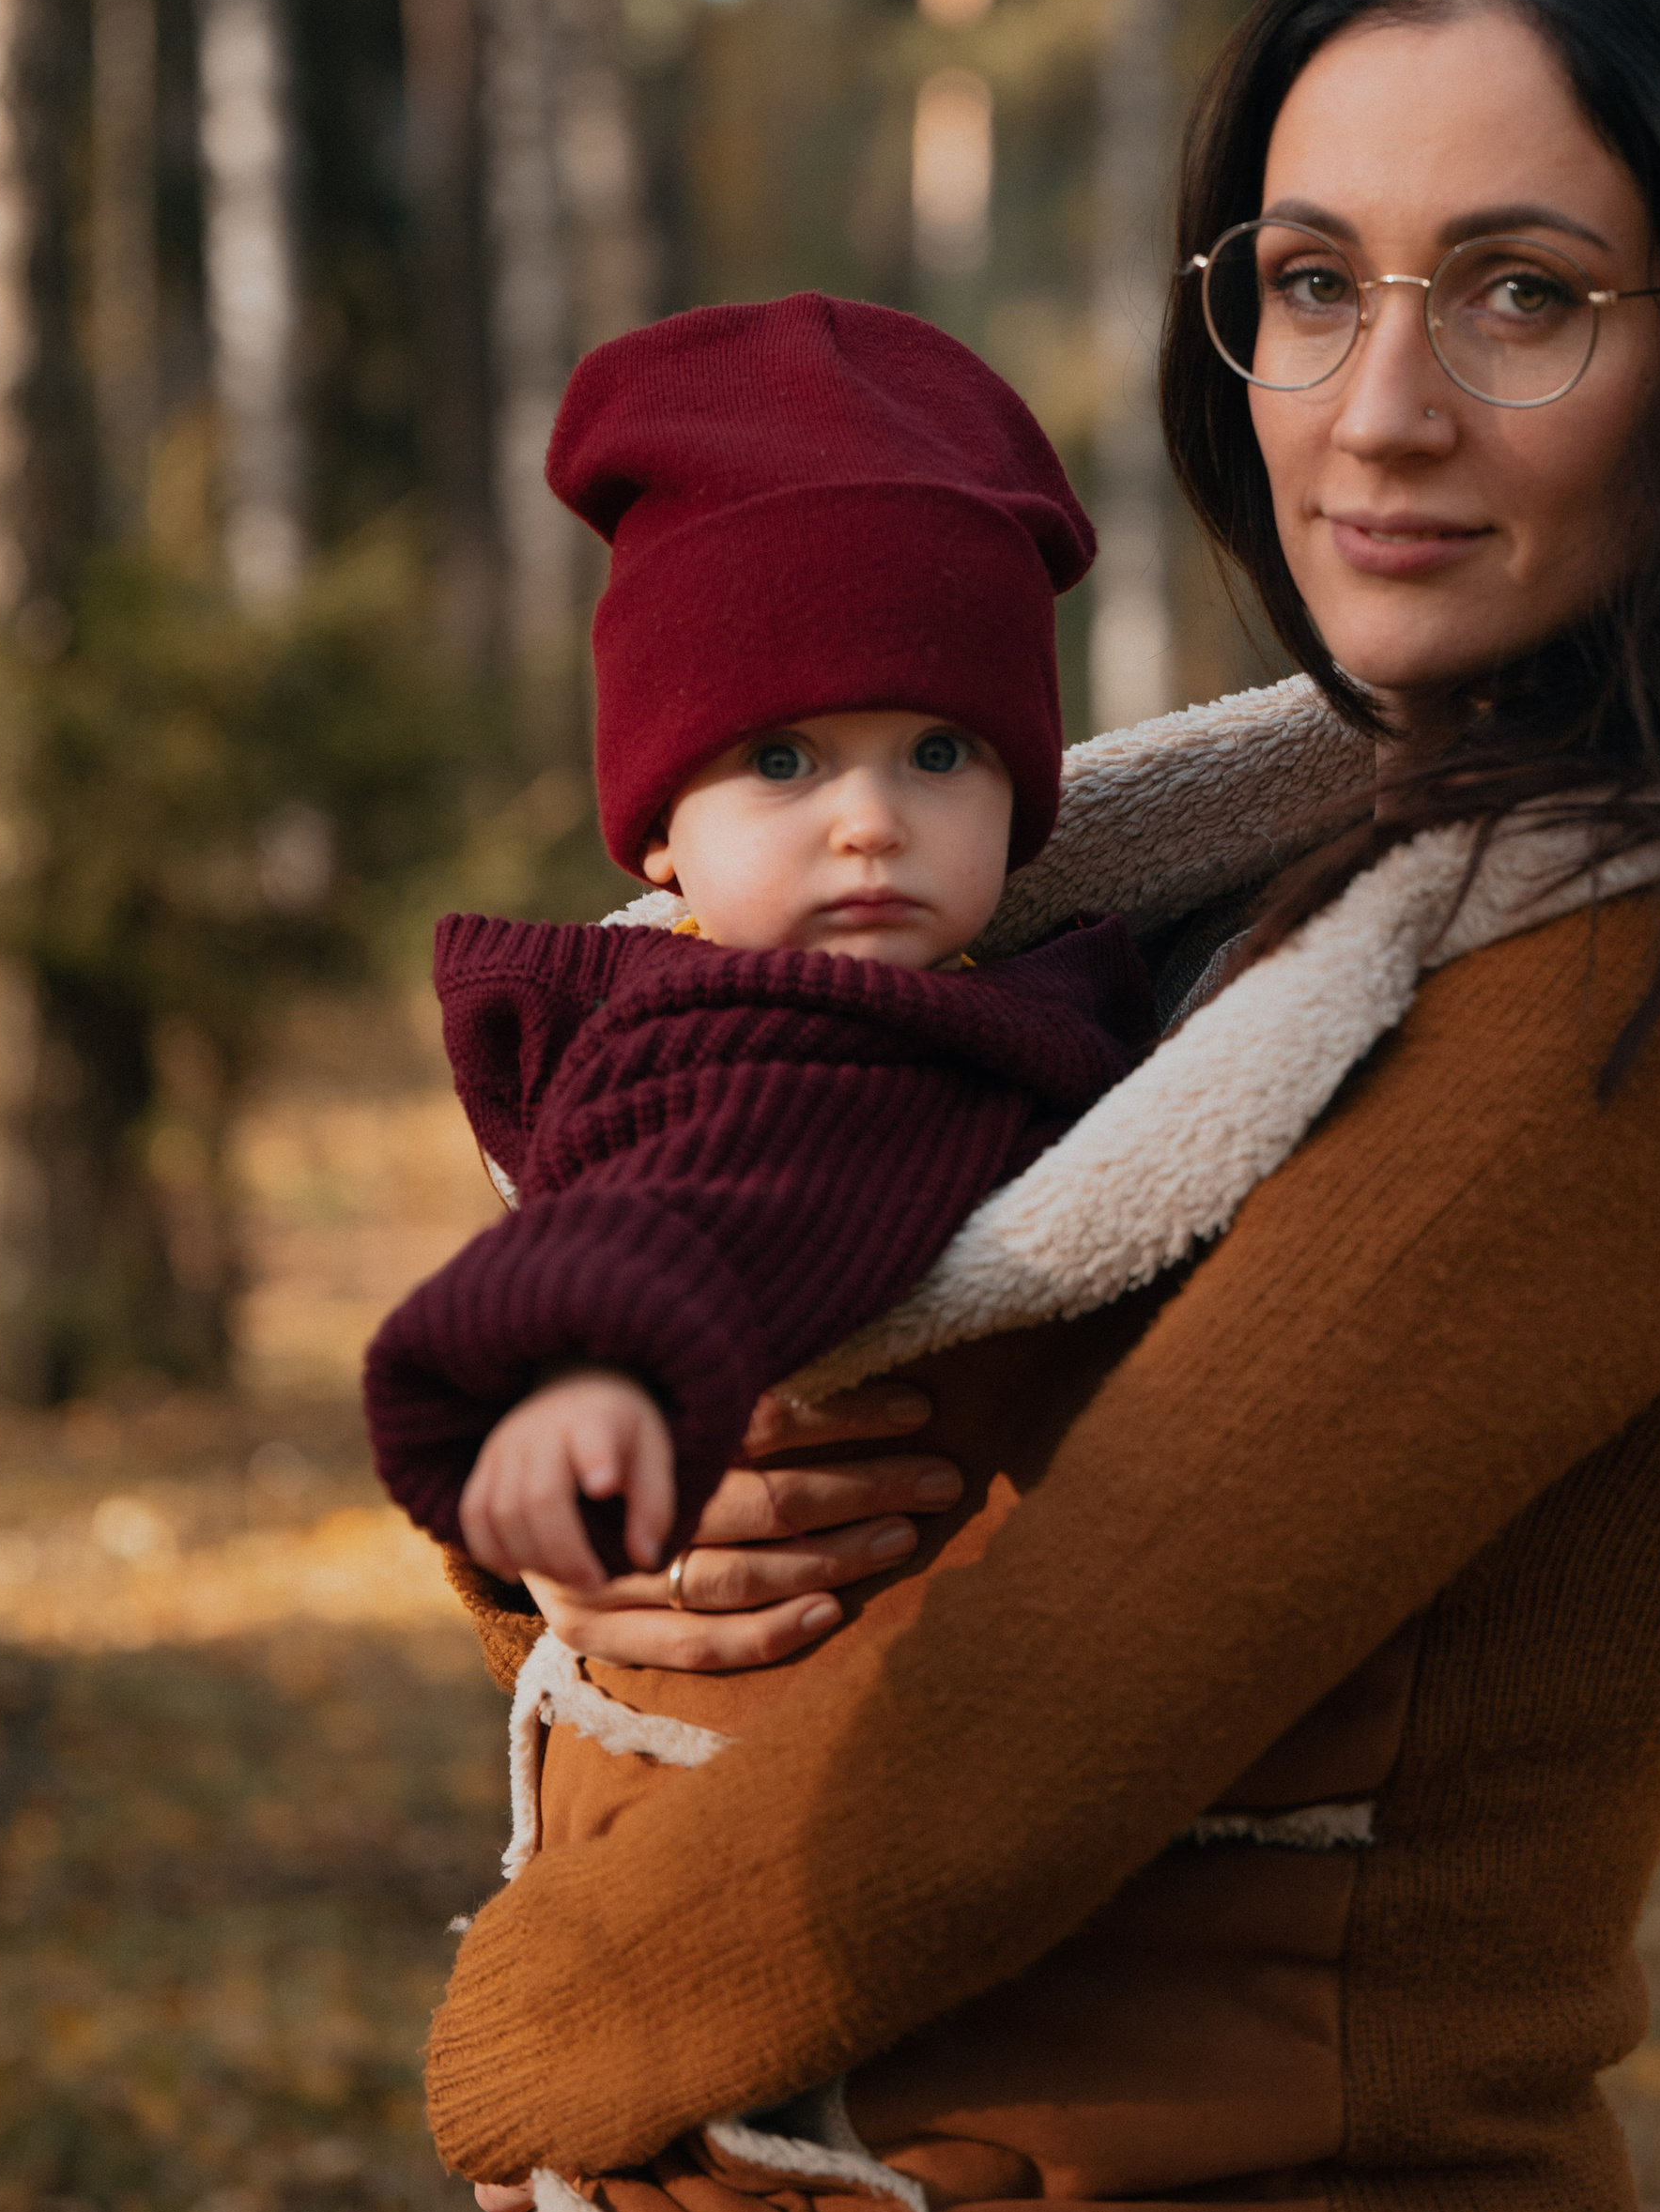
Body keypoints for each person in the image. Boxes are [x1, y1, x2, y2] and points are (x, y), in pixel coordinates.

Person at [339, 0, 1660, 2212]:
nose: (1380, 410)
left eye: (1525, 295)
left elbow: (1027, 1737)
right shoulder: (1266, 871)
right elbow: (845, 1442)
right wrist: (636, 1561)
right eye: (1310, 283)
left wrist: (518, 2053)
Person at [362, 294, 1154, 1594]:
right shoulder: (729, 1036)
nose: (871, 823)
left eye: (940, 753)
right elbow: (696, 1192)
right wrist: (589, 1368)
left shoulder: (1055, 983)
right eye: (782, 760)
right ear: (661, 829)